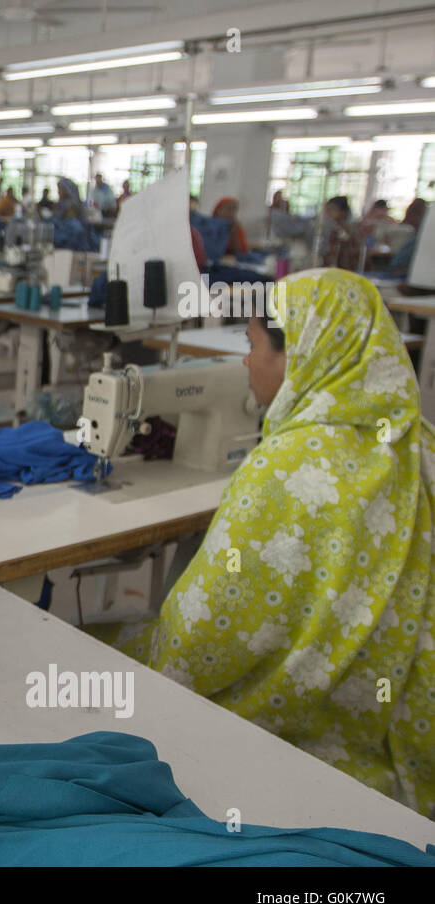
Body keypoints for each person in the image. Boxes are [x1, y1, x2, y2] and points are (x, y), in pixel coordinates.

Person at [91, 269, 435, 817]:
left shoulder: (284, 469)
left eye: (252, 345)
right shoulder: (417, 448)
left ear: (298, 353)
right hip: (396, 713)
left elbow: (197, 640)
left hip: (282, 728)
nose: (246, 362)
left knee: (93, 643)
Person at [320, 195, 362, 271]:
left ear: (343, 211)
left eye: (332, 209)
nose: (328, 212)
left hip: (344, 266)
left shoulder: (346, 229)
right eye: (327, 209)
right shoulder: (333, 227)